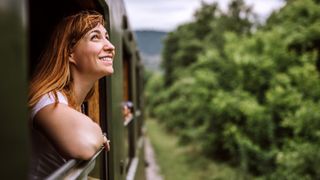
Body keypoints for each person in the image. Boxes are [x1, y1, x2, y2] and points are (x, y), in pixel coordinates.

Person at [28, 11, 114, 179]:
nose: (110, 46)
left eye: (107, 36)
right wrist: (99, 134)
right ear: (69, 52)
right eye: (95, 37)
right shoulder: (48, 99)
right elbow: (85, 143)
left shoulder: (72, 102)